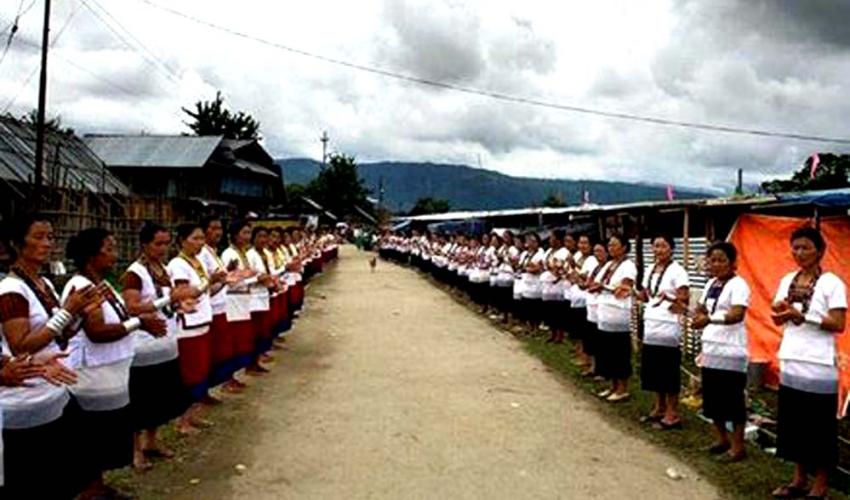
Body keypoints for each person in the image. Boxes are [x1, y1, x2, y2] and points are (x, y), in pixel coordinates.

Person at [0, 214, 101, 498]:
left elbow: (60, 335)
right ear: (16, 244)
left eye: (50, 237)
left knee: (62, 470)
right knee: (33, 477)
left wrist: (81, 314)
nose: (47, 244)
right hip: (26, 395)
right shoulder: (11, 290)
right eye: (39, 237)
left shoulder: (42, 283)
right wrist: (69, 311)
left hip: (53, 387)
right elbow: (21, 346)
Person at [64, 228, 166, 499]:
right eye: (109, 249)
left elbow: (118, 317)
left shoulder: (102, 284)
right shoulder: (82, 287)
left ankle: (97, 485)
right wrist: (139, 323)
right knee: (94, 432)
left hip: (111, 370)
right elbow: (97, 332)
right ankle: (89, 489)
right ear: (92, 255)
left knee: (108, 431)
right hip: (93, 374)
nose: (115, 254)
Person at [770, 227, 846, 499]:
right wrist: (781, 312)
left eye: (806, 247)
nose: (799, 253)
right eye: (795, 247)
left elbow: (838, 323)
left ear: (820, 251)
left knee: (819, 426)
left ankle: (820, 485)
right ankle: (799, 479)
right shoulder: (788, 280)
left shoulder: (831, 283)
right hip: (791, 358)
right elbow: (778, 314)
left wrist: (805, 318)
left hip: (818, 365)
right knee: (794, 423)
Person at [121, 222, 192, 470]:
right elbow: (131, 307)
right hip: (144, 347)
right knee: (140, 401)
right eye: (158, 244)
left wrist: (179, 305)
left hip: (166, 342)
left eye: (166, 243)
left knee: (160, 399)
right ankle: (135, 450)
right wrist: (167, 300)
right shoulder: (135, 273)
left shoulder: (163, 269)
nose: (163, 248)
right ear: (144, 244)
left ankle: (152, 441)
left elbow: (168, 302)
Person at [691, 241, 750, 463]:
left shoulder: (739, 285)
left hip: (731, 350)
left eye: (721, 260)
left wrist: (709, 319)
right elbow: (702, 308)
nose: (716, 264)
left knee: (732, 399)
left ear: (732, 263)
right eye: (712, 260)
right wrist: (697, 314)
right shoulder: (711, 284)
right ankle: (721, 438)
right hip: (712, 348)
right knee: (712, 397)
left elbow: (737, 314)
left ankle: (738, 446)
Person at [168, 223, 226, 434]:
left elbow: (205, 291)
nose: (200, 243)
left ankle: (193, 415)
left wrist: (221, 282)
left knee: (201, 370)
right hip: (189, 326)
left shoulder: (198, 262)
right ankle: (183, 421)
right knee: (190, 373)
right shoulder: (178, 264)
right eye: (195, 239)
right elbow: (185, 293)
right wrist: (209, 281)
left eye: (202, 239)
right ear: (182, 241)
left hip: (202, 321)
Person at [638, 234, 690, 430]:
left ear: (671, 248)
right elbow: (646, 295)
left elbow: (683, 299)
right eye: (655, 246)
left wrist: (670, 301)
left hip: (667, 328)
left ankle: (672, 413)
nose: (658, 250)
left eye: (662, 246)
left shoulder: (678, 271)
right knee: (653, 369)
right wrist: (631, 292)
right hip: (651, 325)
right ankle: (659, 407)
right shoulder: (650, 269)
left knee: (668, 370)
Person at [198, 216, 244, 393]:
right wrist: (224, 280)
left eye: (220, 228)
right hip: (212, 308)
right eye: (214, 228)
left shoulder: (213, 252)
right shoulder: (202, 254)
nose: (218, 232)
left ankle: (222, 381)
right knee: (216, 351)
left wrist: (228, 274)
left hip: (221, 305)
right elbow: (207, 284)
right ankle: (209, 389)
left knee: (223, 348)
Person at [591, 233, 636, 402]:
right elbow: (596, 282)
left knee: (619, 352)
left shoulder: (628, 266)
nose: (611, 248)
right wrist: (600, 286)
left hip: (618, 315)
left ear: (624, 247)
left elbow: (623, 289)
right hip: (604, 313)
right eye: (609, 245)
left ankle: (622, 388)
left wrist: (603, 287)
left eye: (614, 245)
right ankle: (613, 385)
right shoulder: (609, 264)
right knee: (607, 351)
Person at [222, 220, 266, 375]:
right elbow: (231, 281)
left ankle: (246, 367)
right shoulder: (229, 254)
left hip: (243, 300)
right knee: (234, 341)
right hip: (233, 301)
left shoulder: (242, 253)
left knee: (245, 338)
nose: (248, 237)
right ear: (235, 235)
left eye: (249, 233)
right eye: (244, 233)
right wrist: (255, 279)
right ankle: (229, 378)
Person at [246, 226, 275, 365]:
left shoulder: (267, 254)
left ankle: (259, 356)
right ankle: (252, 362)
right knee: (254, 332)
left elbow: (271, 272)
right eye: (260, 236)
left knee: (262, 329)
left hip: (264, 294)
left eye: (265, 236)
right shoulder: (249, 255)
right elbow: (247, 276)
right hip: (253, 297)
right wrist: (258, 279)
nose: (263, 240)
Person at [568, 235, 598, 368]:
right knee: (578, 330)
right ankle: (580, 354)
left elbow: (585, 277)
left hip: (586, 298)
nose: (582, 246)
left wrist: (575, 268)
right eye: (580, 243)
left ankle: (587, 359)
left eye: (585, 243)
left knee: (585, 331)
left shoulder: (592, 260)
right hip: (576, 295)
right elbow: (572, 275)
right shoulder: (578, 256)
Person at [581, 242, 608, 377]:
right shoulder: (596, 267)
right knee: (591, 339)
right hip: (591, 306)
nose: (597, 254)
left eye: (600, 251)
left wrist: (592, 286)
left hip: (602, 308)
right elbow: (587, 284)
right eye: (595, 251)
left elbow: (600, 285)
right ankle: (593, 366)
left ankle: (602, 370)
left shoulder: (608, 268)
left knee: (600, 340)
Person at [541, 230, 569, 343]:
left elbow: (560, 268)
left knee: (558, 311)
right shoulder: (549, 251)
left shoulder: (564, 252)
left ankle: (559, 335)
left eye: (552, 237)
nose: (550, 240)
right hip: (547, 285)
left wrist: (551, 267)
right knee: (549, 311)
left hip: (558, 285)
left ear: (558, 240)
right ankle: (552, 333)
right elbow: (544, 264)